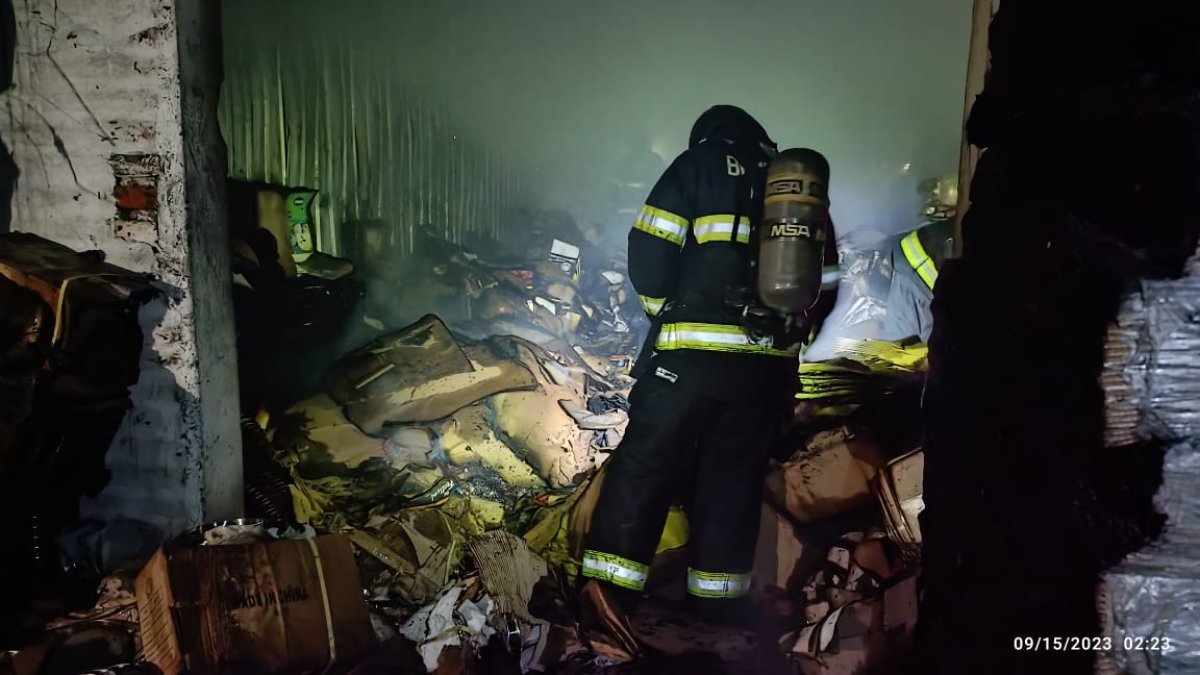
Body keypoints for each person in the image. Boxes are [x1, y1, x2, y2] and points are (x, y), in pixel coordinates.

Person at [581, 105, 838, 627]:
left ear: (709, 135)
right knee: (732, 479)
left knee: (647, 468)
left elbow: (649, 250)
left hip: (690, 363)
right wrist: (790, 337)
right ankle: (716, 604)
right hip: (764, 373)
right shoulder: (795, 186)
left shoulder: (697, 166)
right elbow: (827, 278)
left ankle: (608, 594)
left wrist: (667, 316)